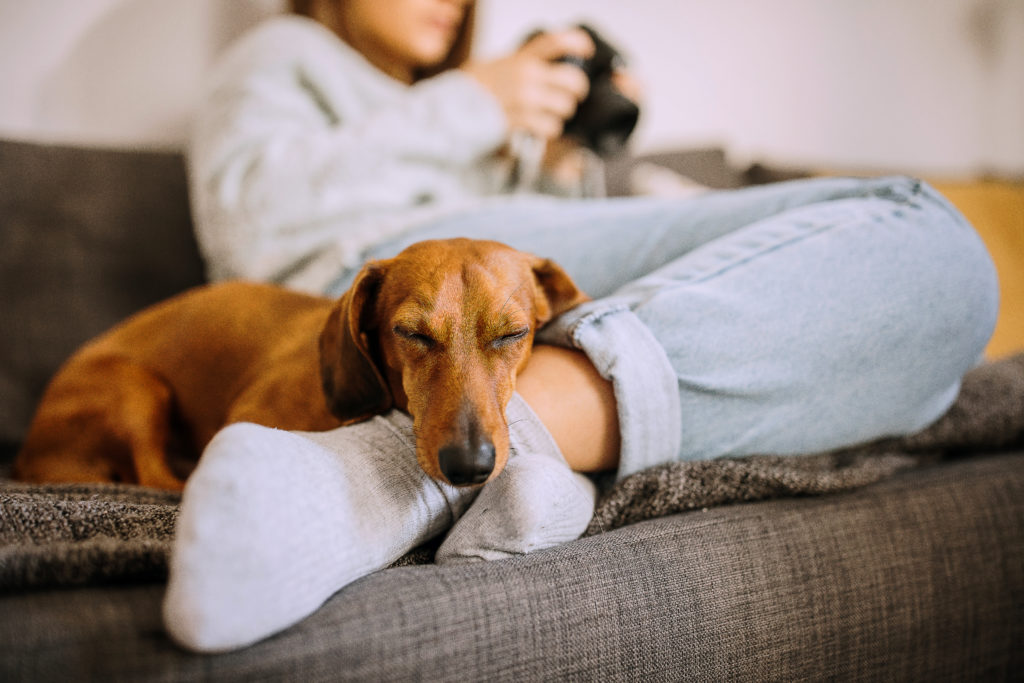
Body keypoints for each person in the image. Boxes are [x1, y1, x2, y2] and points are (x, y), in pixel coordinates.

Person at [165, 0, 999, 652]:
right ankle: (384, 474)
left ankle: (498, 450)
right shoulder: (285, 58)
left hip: (508, 272)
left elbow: (569, 307)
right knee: (922, 230)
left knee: (942, 271)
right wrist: (475, 102)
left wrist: (567, 163)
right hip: (391, 265)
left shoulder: (454, 113)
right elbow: (248, 224)